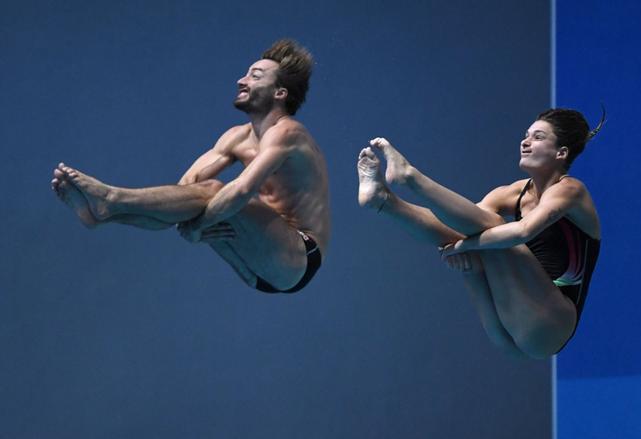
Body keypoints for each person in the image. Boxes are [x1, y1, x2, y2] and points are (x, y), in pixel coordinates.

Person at [52, 39, 330, 293]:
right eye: (245, 73)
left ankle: (111, 198)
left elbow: (243, 190)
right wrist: (191, 223)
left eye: (255, 76)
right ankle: (105, 215)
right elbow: (183, 192)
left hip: (297, 257)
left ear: (280, 93)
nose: (241, 80)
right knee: (194, 197)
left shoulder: (288, 134)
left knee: (217, 192)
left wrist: (198, 228)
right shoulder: (236, 137)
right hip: (253, 269)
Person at [357, 108, 604, 358]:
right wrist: (464, 244)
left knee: (494, 231)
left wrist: (466, 246)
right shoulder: (513, 192)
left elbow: (523, 231)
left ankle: (410, 176)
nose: (525, 142)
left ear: (561, 153)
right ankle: (384, 202)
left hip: (552, 324)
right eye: (526, 135)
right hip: (509, 333)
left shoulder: (571, 190)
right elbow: (459, 226)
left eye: (538, 137)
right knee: (476, 236)